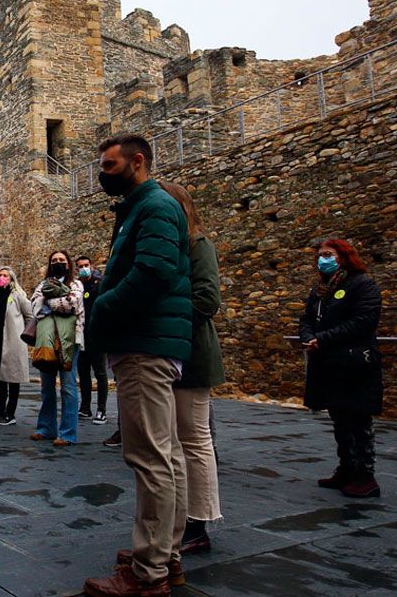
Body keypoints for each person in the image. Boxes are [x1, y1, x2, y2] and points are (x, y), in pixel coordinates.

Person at [83, 134, 192, 597]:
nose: (101, 175)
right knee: (166, 456)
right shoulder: (140, 207)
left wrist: (103, 305)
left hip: (144, 347)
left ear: (137, 162)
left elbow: (153, 273)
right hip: (147, 343)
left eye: (109, 166)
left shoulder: (155, 207)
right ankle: (165, 554)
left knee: (149, 458)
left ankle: (148, 573)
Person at [160, 182, 224, 555]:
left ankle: (198, 523)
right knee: (171, 441)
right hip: (166, 353)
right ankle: (177, 517)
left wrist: (164, 323)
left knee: (195, 439)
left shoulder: (198, 246)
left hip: (191, 352)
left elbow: (206, 299)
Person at [299, 238, 383, 498]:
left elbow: (364, 320)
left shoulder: (362, 284)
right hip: (329, 364)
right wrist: (308, 335)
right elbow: (306, 319)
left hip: (354, 363)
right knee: (339, 418)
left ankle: (365, 476)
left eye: (328, 254)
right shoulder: (321, 290)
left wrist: (322, 339)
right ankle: (346, 468)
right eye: (320, 255)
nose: (323, 259)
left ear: (343, 256)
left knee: (358, 419)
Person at [28, 251, 84, 445]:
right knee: (47, 387)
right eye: (54, 261)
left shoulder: (76, 284)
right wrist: (59, 299)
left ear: (68, 264)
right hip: (47, 341)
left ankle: (68, 433)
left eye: (61, 260)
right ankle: (46, 428)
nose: (58, 263)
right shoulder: (42, 285)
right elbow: (35, 306)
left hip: (69, 341)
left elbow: (73, 303)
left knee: (68, 387)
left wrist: (49, 302)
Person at [0, 267, 31, 426]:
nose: (2, 278)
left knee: (13, 377)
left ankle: (11, 412)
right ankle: (0, 410)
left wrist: (25, 336)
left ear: (11, 279)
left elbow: (30, 315)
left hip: (12, 341)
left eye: (5, 276)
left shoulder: (17, 296)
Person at [76, 256, 110, 425]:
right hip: (82, 336)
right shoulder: (77, 287)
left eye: (86, 265)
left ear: (92, 266)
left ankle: (101, 410)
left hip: (97, 335)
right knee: (83, 373)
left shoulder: (100, 284)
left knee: (100, 373)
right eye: (81, 266)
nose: (84, 268)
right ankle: (85, 407)